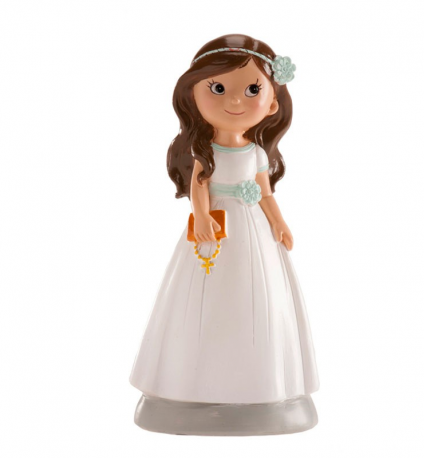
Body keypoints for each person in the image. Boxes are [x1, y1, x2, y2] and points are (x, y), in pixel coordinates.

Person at [129, 34, 320, 436]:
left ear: (271, 103)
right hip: (214, 229)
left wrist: (279, 222)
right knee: (205, 298)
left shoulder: (257, 153)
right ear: (194, 96)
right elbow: (199, 186)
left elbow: (265, 194)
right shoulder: (206, 152)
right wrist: (201, 217)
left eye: (251, 90)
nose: (234, 100)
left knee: (257, 297)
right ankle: (192, 383)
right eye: (218, 88)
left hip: (254, 232)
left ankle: (261, 383)